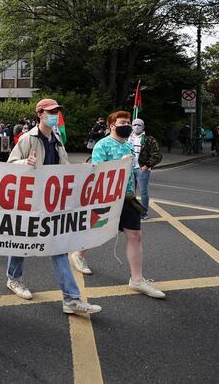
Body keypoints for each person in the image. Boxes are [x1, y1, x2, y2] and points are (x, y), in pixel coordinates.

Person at [5, 99, 102, 315]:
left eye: (57, 111)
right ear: (39, 114)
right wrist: (24, 163)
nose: (55, 115)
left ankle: (71, 299)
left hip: (51, 201)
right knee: (21, 242)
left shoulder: (57, 138)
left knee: (58, 248)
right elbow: (10, 165)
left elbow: (64, 167)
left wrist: (83, 171)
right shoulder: (27, 138)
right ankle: (14, 279)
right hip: (29, 201)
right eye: (50, 112)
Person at [70, 111, 165, 299]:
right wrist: (117, 165)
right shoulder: (102, 145)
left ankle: (137, 280)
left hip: (128, 197)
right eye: (123, 122)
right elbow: (97, 172)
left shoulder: (129, 146)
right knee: (95, 230)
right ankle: (78, 255)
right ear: (112, 125)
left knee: (135, 235)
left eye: (129, 122)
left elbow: (132, 172)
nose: (128, 125)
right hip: (107, 198)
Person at [129, 119, 162, 219]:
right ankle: (132, 211)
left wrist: (147, 165)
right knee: (130, 192)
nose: (137, 126)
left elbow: (157, 155)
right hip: (129, 168)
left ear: (143, 127)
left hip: (142, 169)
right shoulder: (127, 138)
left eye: (139, 125)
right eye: (134, 124)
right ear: (131, 126)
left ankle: (144, 212)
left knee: (143, 192)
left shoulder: (149, 139)